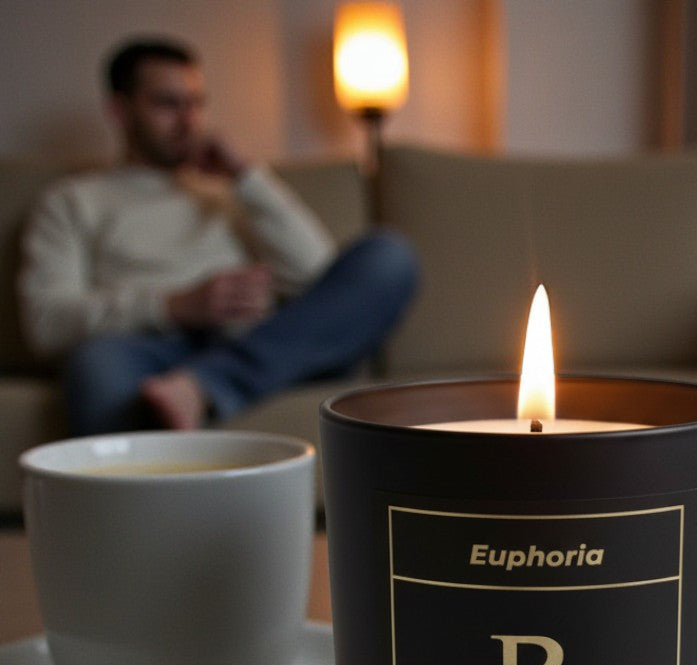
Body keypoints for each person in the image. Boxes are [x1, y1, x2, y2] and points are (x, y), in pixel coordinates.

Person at [18, 37, 419, 435]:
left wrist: (246, 177)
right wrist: (175, 306)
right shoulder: (72, 201)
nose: (189, 120)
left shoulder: (227, 192)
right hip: (144, 350)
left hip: (258, 342)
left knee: (389, 257)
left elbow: (318, 275)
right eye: (168, 104)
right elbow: (46, 322)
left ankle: (203, 387)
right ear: (121, 111)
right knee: (95, 365)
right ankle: (189, 403)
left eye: (196, 103)